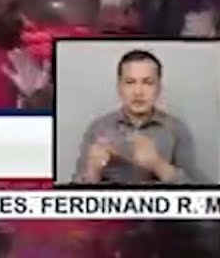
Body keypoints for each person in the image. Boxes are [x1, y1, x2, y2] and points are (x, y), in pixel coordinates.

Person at [71, 49, 209, 185]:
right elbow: (72, 196)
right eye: (130, 82)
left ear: (159, 88)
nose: (138, 92)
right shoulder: (98, 128)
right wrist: (93, 170)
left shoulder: (177, 129)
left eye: (147, 82)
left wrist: (157, 164)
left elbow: (200, 192)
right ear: (119, 87)